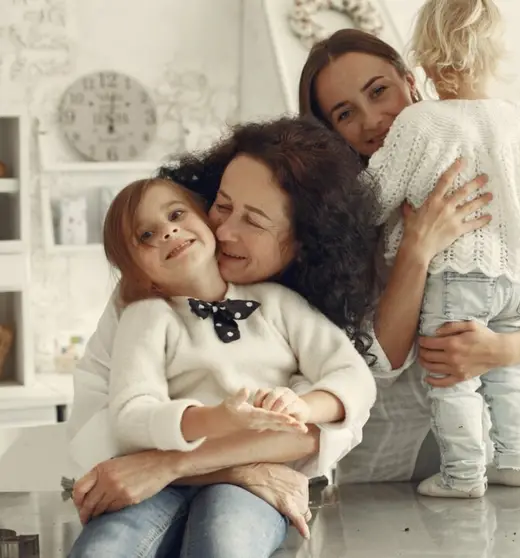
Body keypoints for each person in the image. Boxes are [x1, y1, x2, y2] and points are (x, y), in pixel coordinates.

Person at [67, 117, 380, 558]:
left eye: (253, 220)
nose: (224, 230)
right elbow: (123, 422)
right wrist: (231, 453)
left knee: (225, 542)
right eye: (222, 205)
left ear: (302, 242)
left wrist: (301, 406)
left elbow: (331, 406)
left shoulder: (280, 305)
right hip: (143, 480)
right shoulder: (144, 311)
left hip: (217, 488)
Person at [298, 27, 520, 487]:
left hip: (499, 466)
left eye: (379, 91)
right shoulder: (345, 221)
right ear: (331, 133)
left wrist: (503, 350)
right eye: (346, 113)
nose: (373, 119)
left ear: (410, 80)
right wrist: (417, 249)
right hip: (387, 476)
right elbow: (376, 366)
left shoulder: (487, 166)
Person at [357, 0, 520, 499]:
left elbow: (373, 201)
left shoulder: (422, 123)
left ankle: (462, 476)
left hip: (459, 275)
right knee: (506, 374)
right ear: (495, 52)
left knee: (450, 377)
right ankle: (516, 461)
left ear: (423, 63)